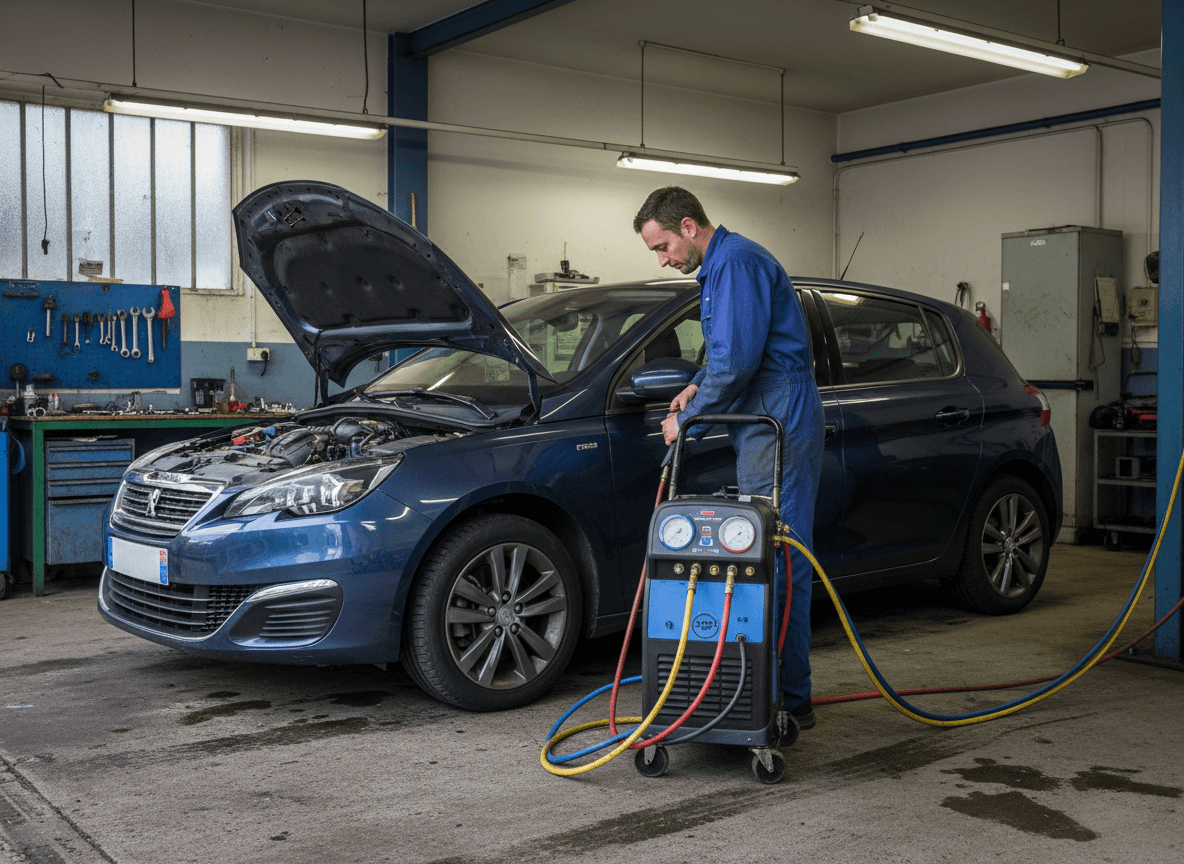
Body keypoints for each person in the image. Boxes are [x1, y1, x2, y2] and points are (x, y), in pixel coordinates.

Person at [633, 186, 824, 730]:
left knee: (779, 554)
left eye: (663, 246)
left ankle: (787, 695)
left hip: (777, 414)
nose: (664, 259)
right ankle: (764, 685)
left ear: (689, 226)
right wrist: (695, 387)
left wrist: (688, 422)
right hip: (763, 413)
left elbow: (738, 363)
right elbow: (724, 355)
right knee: (762, 549)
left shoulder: (736, 263)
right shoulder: (719, 269)